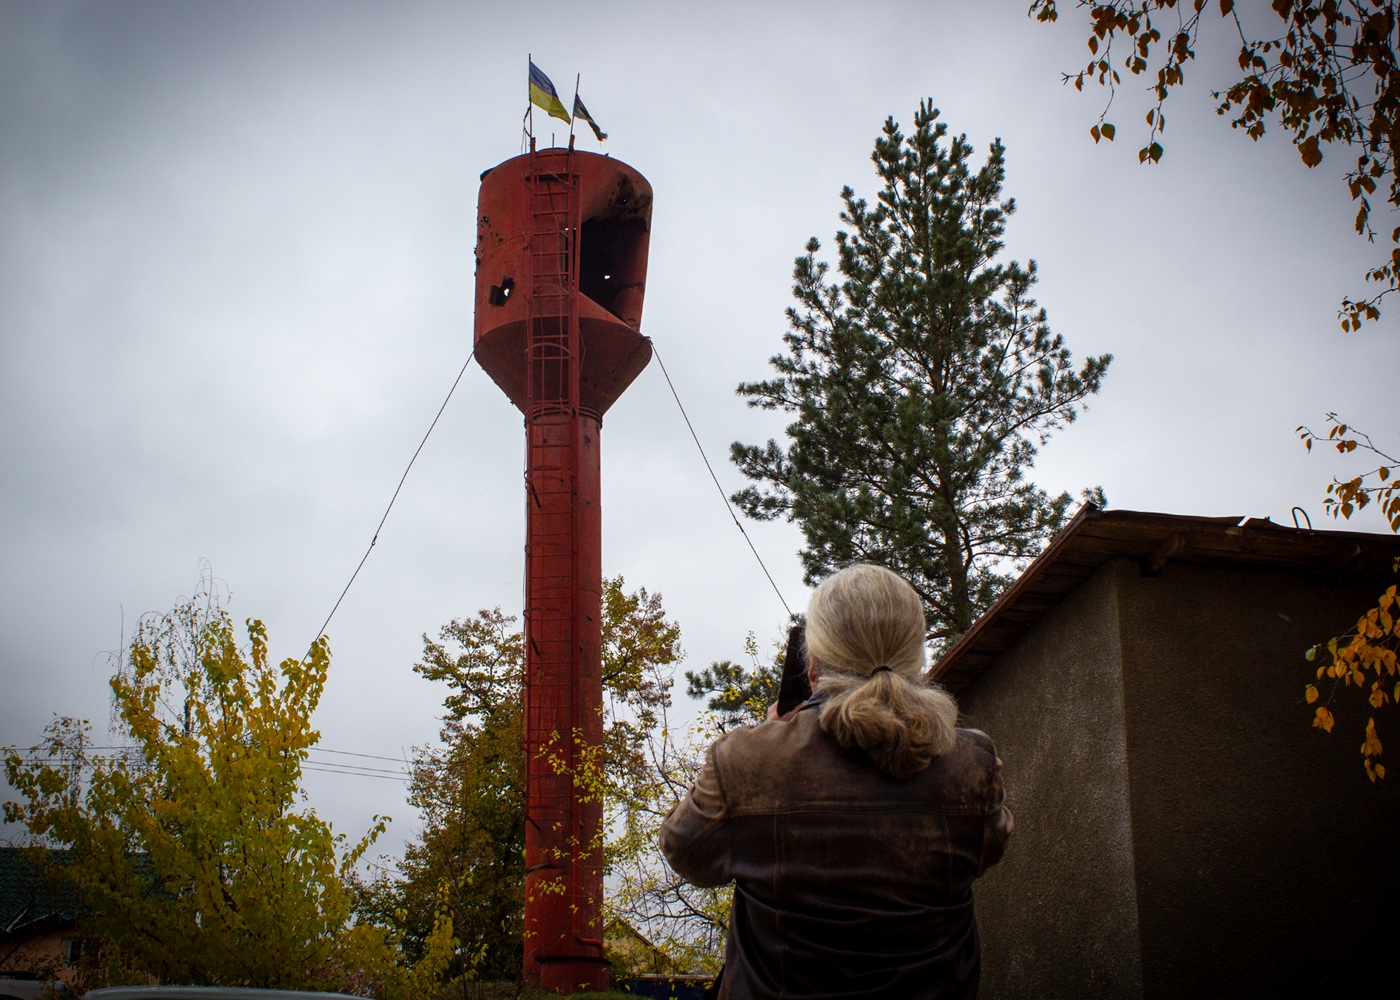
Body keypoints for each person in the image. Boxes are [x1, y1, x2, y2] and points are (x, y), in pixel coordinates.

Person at [660, 564, 1013, 999]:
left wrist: (770, 739)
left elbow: (685, 853)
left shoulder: (745, 760)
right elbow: (989, 848)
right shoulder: (971, 763)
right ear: (915, 659)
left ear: (813, 668)